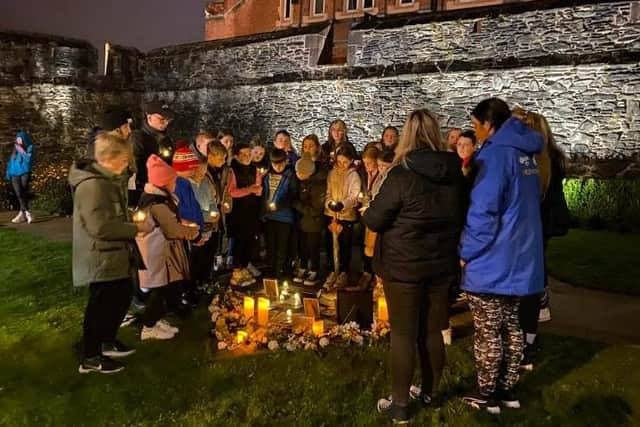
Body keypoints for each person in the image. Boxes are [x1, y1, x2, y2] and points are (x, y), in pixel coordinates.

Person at [361, 110, 465, 424]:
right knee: (433, 331)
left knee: (404, 335)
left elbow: (375, 219)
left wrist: (370, 206)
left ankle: (401, 405)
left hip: (404, 267)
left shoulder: (401, 174)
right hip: (439, 265)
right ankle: (431, 393)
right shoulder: (454, 173)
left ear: (406, 135)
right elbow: (462, 213)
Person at [459, 98, 544, 414]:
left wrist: (466, 251)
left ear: (488, 123)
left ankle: (486, 392)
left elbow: (484, 211)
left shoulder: (496, 155)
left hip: (494, 258)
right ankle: (508, 388)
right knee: (511, 325)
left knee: (488, 329)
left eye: (477, 125)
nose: (476, 132)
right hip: (520, 256)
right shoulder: (526, 153)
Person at [69, 132, 150, 374]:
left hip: (113, 255)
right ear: (109, 158)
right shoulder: (93, 186)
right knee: (101, 305)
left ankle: (106, 340)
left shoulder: (106, 182)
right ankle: (91, 356)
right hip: (101, 257)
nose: (127, 165)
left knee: (120, 297)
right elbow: (100, 227)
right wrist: (136, 228)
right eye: (124, 159)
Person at [517, 110, 569, 370]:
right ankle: (528, 341)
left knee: (521, 293)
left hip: (526, 230)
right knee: (529, 290)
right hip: (538, 231)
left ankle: (523, 343)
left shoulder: (528, 160)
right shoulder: (550, 158)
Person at [136, 155, 199, 340]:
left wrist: (184, 224)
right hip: (157, 254)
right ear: (164, 183)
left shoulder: (157, 199)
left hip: (161, 252)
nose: (175, 185)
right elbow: (171, 229)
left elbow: (170, 222)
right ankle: (148, 326)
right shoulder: (158, 204)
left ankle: (157, 320)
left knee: (163, 288)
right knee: (159, 290)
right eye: (172, 181)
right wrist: (193, 233)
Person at [323, 144, 361, 289]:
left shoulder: (353, 175)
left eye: (345, 162)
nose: (342, 165)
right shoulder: (332, 173)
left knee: (344, 245)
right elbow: (327, 192)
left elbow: (354, 195)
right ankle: (333, 270)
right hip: (331, 214)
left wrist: (343, 204)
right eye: (339, 162)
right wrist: (329, 204)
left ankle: (343, 272)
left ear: (351, 160)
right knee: (330, 244)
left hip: (346, 216)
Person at [227, 143, 263, 286]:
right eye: (244, 154)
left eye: (250, 154)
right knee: (239, 240)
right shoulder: (232, 171)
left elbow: (258, 188)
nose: (248, 157)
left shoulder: (255, 170)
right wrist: (249, 190)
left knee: (249, 239)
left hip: (251, 210)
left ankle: (246, 265)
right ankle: (237, 270)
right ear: (236, 156)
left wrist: (256, 190)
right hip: (237, 211)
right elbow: (232, 192)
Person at [262, 148, 298, 279]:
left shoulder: (290, 175)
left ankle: (280, 271)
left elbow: (293, 195)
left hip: (284, 217)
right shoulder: (266, 175)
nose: (278, 166)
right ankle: (270, 271)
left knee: (282, 246)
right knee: (270, 245)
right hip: (268, 217)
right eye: (274, 163)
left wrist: (278, 205)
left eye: (281, 163)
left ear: (286, 161)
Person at [292, 153, 326, 286]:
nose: (297, 174)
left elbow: (315, 209)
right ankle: (303, 266)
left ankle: (314, 269)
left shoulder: (318, 185)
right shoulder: (303, 182)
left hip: (313, 222)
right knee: (303, 245)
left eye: (299, 172)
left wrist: (297, 204)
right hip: (303, 221)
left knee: (313, 246)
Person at [131, 100, 175, 202]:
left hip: (165, 191)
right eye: (162, 119)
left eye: (168, 119)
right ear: (149, 117)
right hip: (147, 193)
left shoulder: (166, 139)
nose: (166, 122)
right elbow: (135, 169)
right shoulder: (138, 139)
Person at [6, 131, 35, 224]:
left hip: (24, 172)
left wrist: (21, 150)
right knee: (18, 192)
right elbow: (11, 161)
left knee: (23, 191)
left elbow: (28, 159)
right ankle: (26, 213)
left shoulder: (30, 147)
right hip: (14, 173)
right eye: (17, 139)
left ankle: (22, 214)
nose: (18, 141)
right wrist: (8, 172)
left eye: (20, 139)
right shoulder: (15, 148)